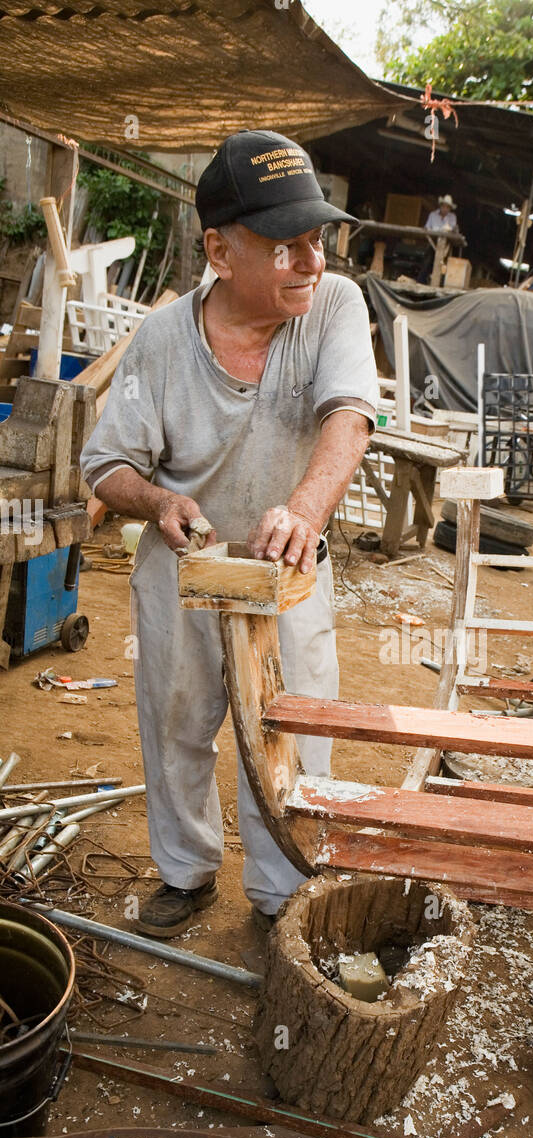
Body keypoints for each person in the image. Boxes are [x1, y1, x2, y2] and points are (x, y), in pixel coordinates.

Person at [79, 130, 377, 936]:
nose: (311, 261)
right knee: (177, 726)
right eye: (286, 245)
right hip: (185, 570)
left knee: (294, 730)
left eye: (317, 239)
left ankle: (281, 895)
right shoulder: (162, 340)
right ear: (219, 250)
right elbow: (104, 465)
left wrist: (302, 512)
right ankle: (186, 873)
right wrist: (157, 501)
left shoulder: (334, 306)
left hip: (289, 573)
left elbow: (351, 417)